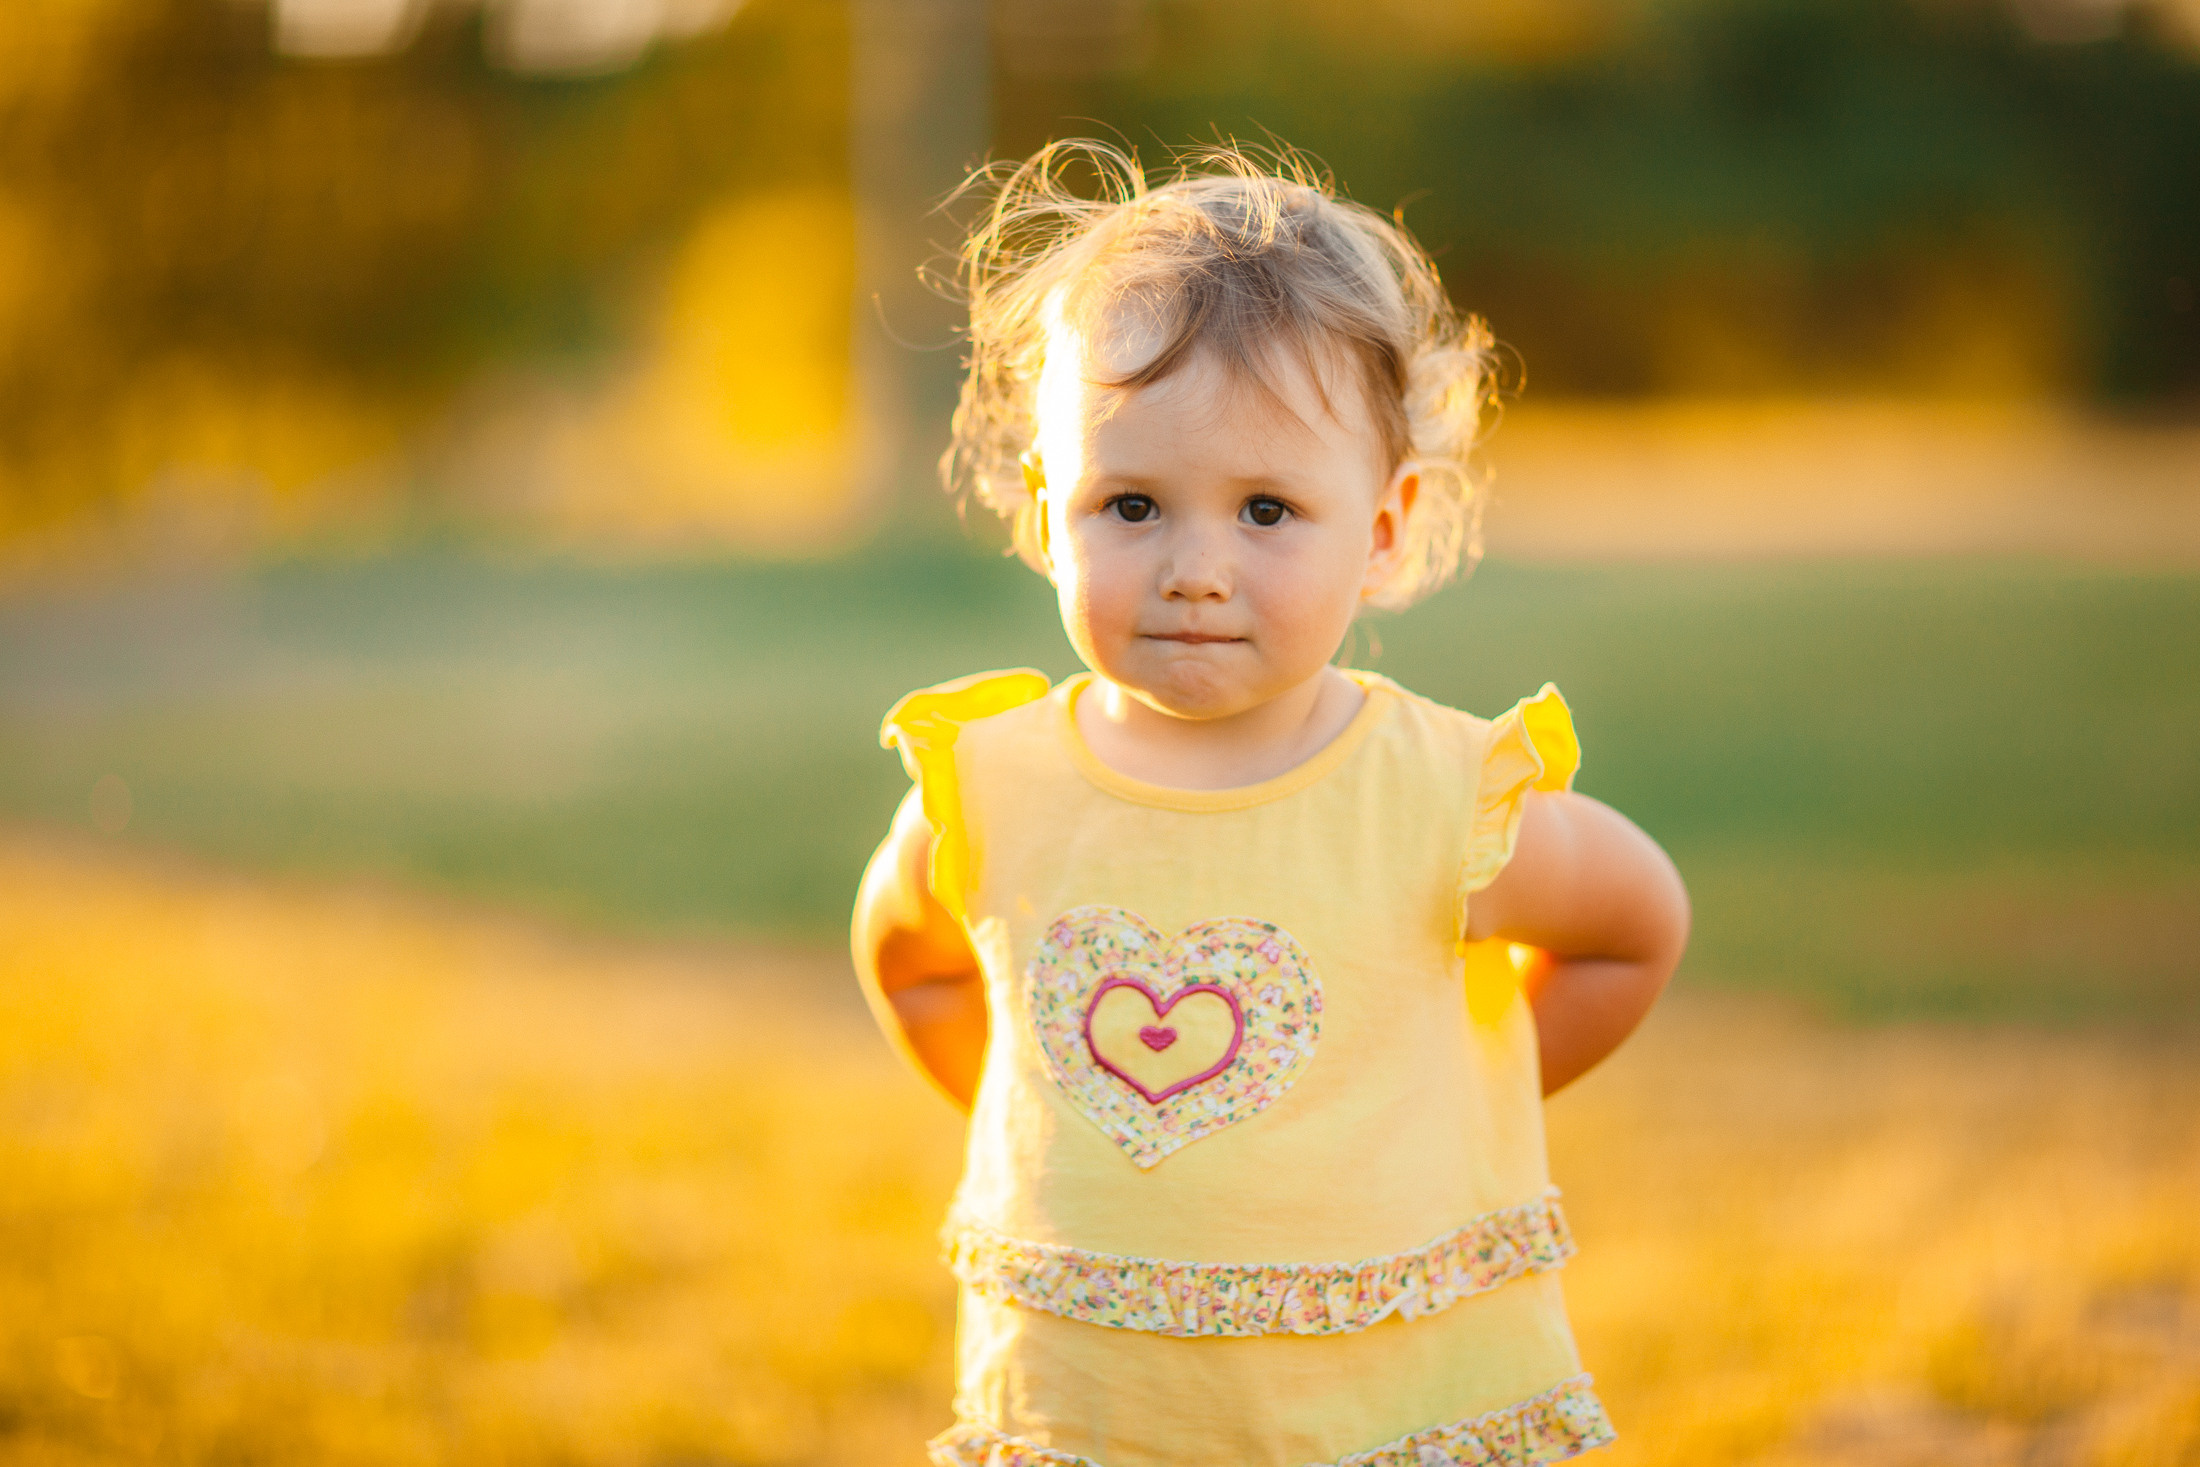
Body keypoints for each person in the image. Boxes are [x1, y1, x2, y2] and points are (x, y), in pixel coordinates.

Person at [851, 141, 1690, 1467]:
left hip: (1370, 1399)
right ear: (1045, 514)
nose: (1195, 568)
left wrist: (1463, 1105)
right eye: (1131, 503)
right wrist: (1054, 1107)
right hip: (1091, 1401)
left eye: (1266, 509)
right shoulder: (993, 785)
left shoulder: (1432, 797)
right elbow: (913, 964)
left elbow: (1634, 924)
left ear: (1383, 526)